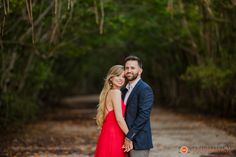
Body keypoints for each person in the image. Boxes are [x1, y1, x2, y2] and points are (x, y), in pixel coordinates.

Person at [94, 65, 131, 157]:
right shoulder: (116, 92)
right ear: (111, 78)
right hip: (113, 134)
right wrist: (130, 136)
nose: (121, 79)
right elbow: (119, 118)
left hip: (108, 133)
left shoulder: (109, 92)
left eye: (123, 77)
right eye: (118, 76)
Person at [122, 55, 154, 157]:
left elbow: (144, 115)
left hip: (139, 141)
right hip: (123, 140)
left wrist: (129, 136)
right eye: (127, 68)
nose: (129, 70)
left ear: (140, 71)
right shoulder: (124, 90)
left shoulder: (145, 89)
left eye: (132, 68)